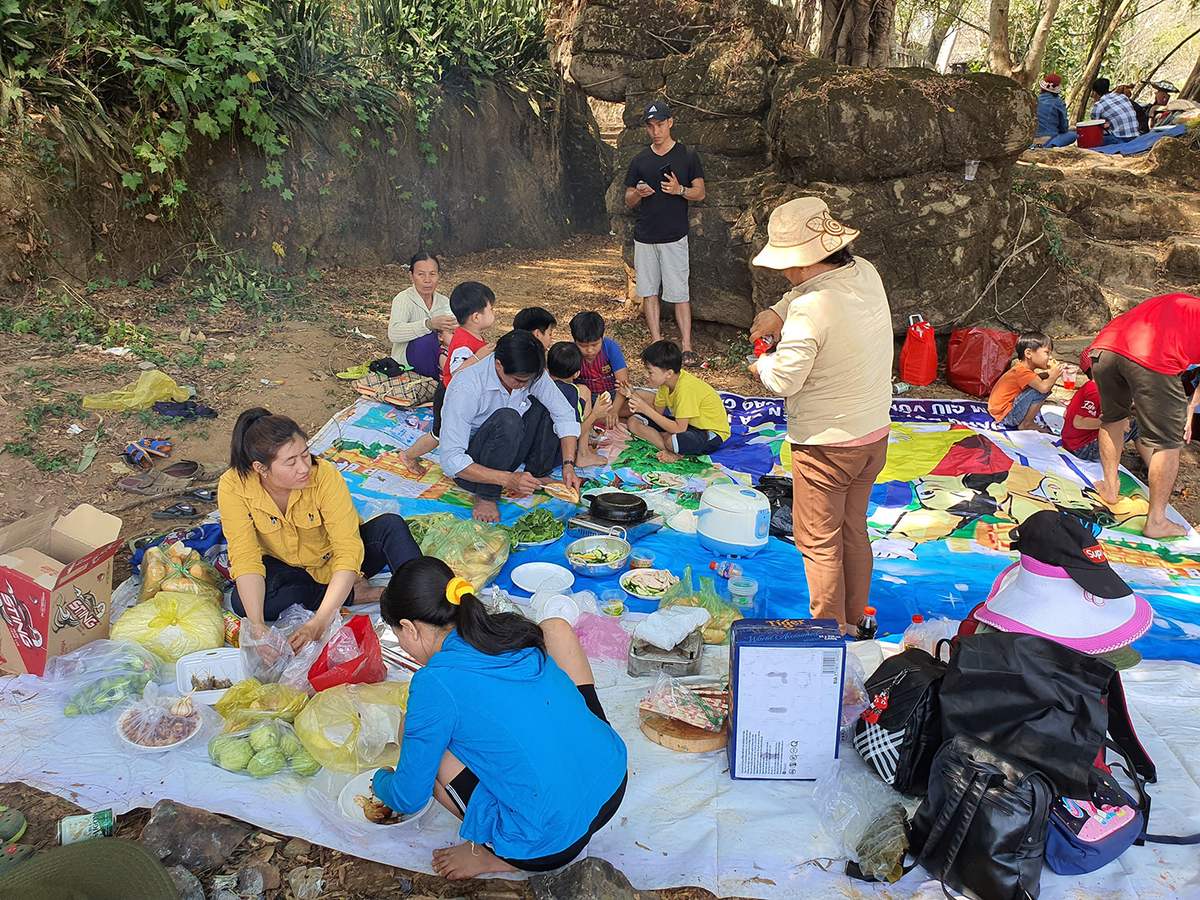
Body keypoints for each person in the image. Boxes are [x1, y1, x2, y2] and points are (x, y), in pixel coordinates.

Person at [371, 557, 627, 880]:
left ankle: (496, 854)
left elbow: (409, 796)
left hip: (548, 842)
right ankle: (585, 751)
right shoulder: (503, 630)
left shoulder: (434, 683)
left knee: (418, 736)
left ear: (409, 628)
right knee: (555, 629)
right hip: (612, 781)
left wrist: (382, 782)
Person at [748, 197, 893, 631]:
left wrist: (761, 363)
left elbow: (784, 380)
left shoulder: (812, 309)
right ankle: (855, 618)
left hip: (826, 445)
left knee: (818, 541)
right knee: (853, 529)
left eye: (788, 265)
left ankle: (829, 633)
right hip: (873, 434)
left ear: (805, 261)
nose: (786, 274)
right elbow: (803, 292)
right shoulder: (863, 271)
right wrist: (777, 311)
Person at [218, 408, 421, 650]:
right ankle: (355, 595)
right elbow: (245, 556)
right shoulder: (233, 485)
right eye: (291, 462)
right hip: (290, 569)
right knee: (245, 604)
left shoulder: (324, 475)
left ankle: (418, 600)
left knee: (391, 526)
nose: (304, 468)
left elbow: (347, 548)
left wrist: (320, 621)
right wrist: (258, 628)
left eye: (305, 455)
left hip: (338, 561)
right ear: (261, 469)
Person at [1086, 292, 1200, 539]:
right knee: (1168, 442)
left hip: (1104, 348)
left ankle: (1110, 488)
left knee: (1113, 418)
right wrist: (1188, 411)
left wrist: (1190, 408)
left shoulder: (1183, 303)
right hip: (1153, 356)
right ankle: (1156, 522)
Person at [438, 330, 583, 522]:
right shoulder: (466, 385)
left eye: (528, 381)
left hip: (511, 449)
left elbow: (563, 413)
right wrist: (507, 479)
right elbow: (451, 460)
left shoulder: (530, 375)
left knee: (563, 393)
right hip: (475, 466)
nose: (524, 385)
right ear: (499, 365)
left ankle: (537, 474)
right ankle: (486, 495)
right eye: (519, 381)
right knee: (509, 419)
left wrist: (568, 465)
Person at [623, 99, 706, 365]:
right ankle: (656, 342)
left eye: (660, 124)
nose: (656, 130)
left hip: (674, 235)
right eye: (651, 126)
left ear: (670, 122)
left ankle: (687, 346)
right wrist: (639, 192)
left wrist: (679, 190)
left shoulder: (687, 156)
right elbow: (628, 199)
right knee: (649, 291)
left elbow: (700, 192)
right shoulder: (640, 160)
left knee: (679, 292)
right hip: (645, 235)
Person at [401, 282, 498, 475]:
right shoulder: (466, 342)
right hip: (448, 394)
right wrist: (478, 356)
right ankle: (408, 455)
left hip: (459, 394)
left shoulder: (467, 334)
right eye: (491, 309)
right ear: (477, 317)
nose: (494, 313)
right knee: (438, 434)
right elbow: (456, 370)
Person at [626, 339, 731, 461]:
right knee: (634, 421)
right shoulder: (665, 384)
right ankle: (667, 448)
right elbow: (658, 413)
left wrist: (645, 409)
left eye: (650, 372)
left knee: (673, 440)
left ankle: (672, 449)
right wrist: (631, 394)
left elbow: (679, 429)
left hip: (709, 432)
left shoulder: (686, 388)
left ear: (669, 373)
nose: (646, 375)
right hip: (687, 426)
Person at [1060, 367, 1148, 465]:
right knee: (1137, 426)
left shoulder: (1093, 387)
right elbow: (1079, 422)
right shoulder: (1095, 391)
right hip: (1082, 448)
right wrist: (1117, 421)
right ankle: (1153, 467)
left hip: (1074, 444)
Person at [387, 252, 454, 377]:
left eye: (432, 274)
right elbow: (394, 333)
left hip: (440, 359)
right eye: (421, 274)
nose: (427, 280)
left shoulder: (445, 302)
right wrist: (428, 325)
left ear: (439, 275)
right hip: (408, 362)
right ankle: (438, 381)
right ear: (411, 276)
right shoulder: (403, 299)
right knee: (427, 340)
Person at [547, 341, 611, 468]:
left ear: (548, 369)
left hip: (530, 452)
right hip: (557, 455)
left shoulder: (539, 385)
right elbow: (572, 433)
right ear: (577, 373)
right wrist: (595, 414)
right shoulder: (573, 393)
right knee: (584, 390)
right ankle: (583, 454)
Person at [987, 332, 1063, 430]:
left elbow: (1035, 379)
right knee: (1041, 390)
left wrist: (1049, 374)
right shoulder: (1022, 372)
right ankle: (1027, 423)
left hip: (1000, 412)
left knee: (1042, 384)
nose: (1050, 357)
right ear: (1028, 353)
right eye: (1047, 352)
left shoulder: (1021, 369)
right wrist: (1053, 376)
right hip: (1007, 416)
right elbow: (1043, 388)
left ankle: (1026, 421)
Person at [570, 311, 629, 426]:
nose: (590, 350)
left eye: (595, 344)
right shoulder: (570, 352)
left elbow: (623, 383)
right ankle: (597, 420)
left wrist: (614, 411)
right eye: (583, 346)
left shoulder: (610, 347)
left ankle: (603, 419)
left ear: (602, 338)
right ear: (575, 341)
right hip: (587, 400)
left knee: (642, 401)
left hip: (612, 395)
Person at [1091, 77, 1141, 145]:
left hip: (1120, 139)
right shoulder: (1123, 97)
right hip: (1136, 136)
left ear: (1095, 93)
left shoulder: (1098, 105)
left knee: (1095, 139)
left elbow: (1093, 127)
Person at [1036, 73, 1076, 148]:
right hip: (1049, 140)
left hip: (1032, 141)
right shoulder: (1058, 102)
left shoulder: (1034, 100)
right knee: (1073, 135)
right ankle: (1051, 146)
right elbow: (1063, 128)